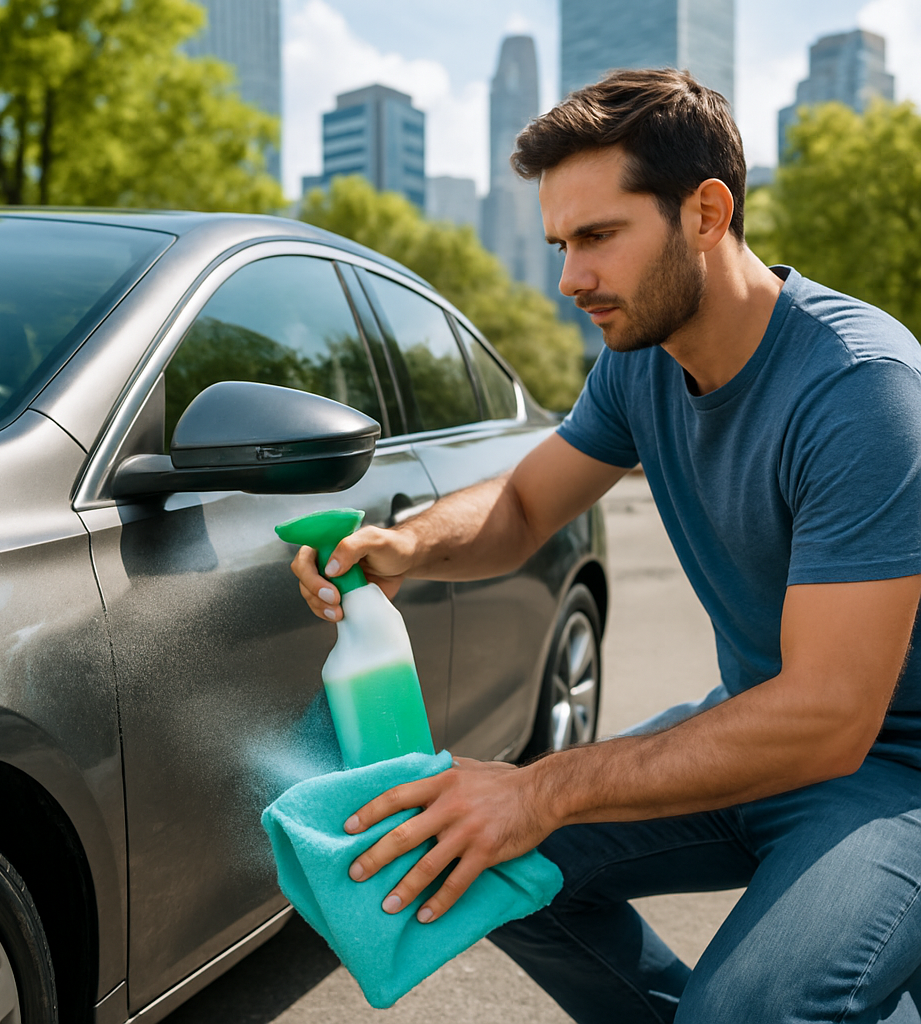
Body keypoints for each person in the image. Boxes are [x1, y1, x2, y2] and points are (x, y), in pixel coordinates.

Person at [290, 68, 921, 1023]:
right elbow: (521, 508)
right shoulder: (642, 363)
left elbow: (831, 717)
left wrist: (542, 790)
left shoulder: (860, 390)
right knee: (470, 857)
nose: (570, 277)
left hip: (891, 774)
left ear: (707, 213)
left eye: (597, 237)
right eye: (559, 242)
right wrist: (406, 545)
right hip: (756, 729)